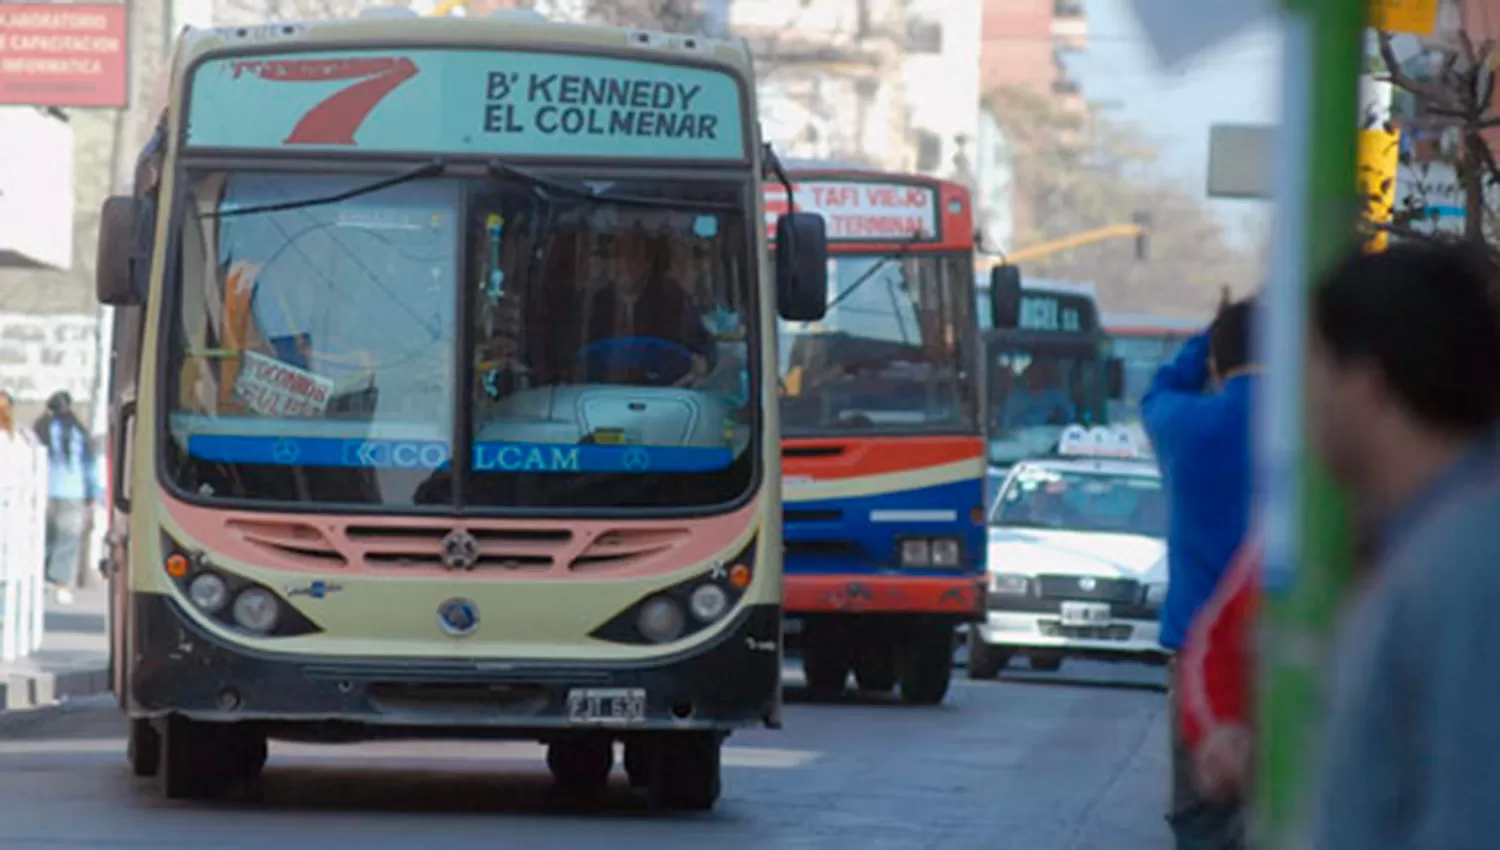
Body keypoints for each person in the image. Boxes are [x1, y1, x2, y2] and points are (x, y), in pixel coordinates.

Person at [1300, 243, 1500, 850]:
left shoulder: (1467, 566)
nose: (1302, 404)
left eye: (1314, 374)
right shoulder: (1429, 546)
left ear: (1368, 387)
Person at [1141, 292, 1258, 850]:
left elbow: (1160, 388)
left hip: (1198, 659)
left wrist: (1209, 336)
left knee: (1201, 818)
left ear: (1218, 359)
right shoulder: (1312, 425)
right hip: (1297, 642)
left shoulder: (1183, 426)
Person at [581, 233, 716, 386]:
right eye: (617, 257)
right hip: (601, 394)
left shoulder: (672, 298)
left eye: (632, 258)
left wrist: (702, 365)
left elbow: (703, 347)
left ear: (647, 263)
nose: (623, 266)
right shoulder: (596, 303)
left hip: (660, 393)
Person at [33, 391, 99, 605]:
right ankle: (60, 584)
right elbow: (90, 466)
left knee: (45, 536)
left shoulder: (42, 428)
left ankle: (41, 577)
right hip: (74, 491)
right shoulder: (79, 431)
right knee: (68, 540)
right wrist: (92, 494)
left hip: (45, 489)